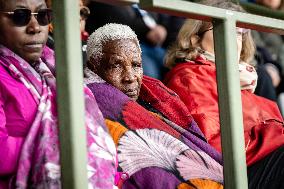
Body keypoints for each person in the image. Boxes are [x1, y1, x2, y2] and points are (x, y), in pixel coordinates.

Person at [85, 23, 224, 189]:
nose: (130, 77)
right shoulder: (94, 104)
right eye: (116, 65)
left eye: (136, 65)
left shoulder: (156, 96)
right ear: (94, 68)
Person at [164, 1, 284, 188]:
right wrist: (271, 132)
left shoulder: (240, 78)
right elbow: (216, 148)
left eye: (239, 31)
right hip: (235, 173)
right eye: (223, 26)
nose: (234, 37)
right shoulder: (189, 77)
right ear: (195, 38)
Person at [0, 0, 116, 188]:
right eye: (20, 16)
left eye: (43, 16)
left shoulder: (58, 64)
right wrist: (66, 150)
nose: (35, 27)